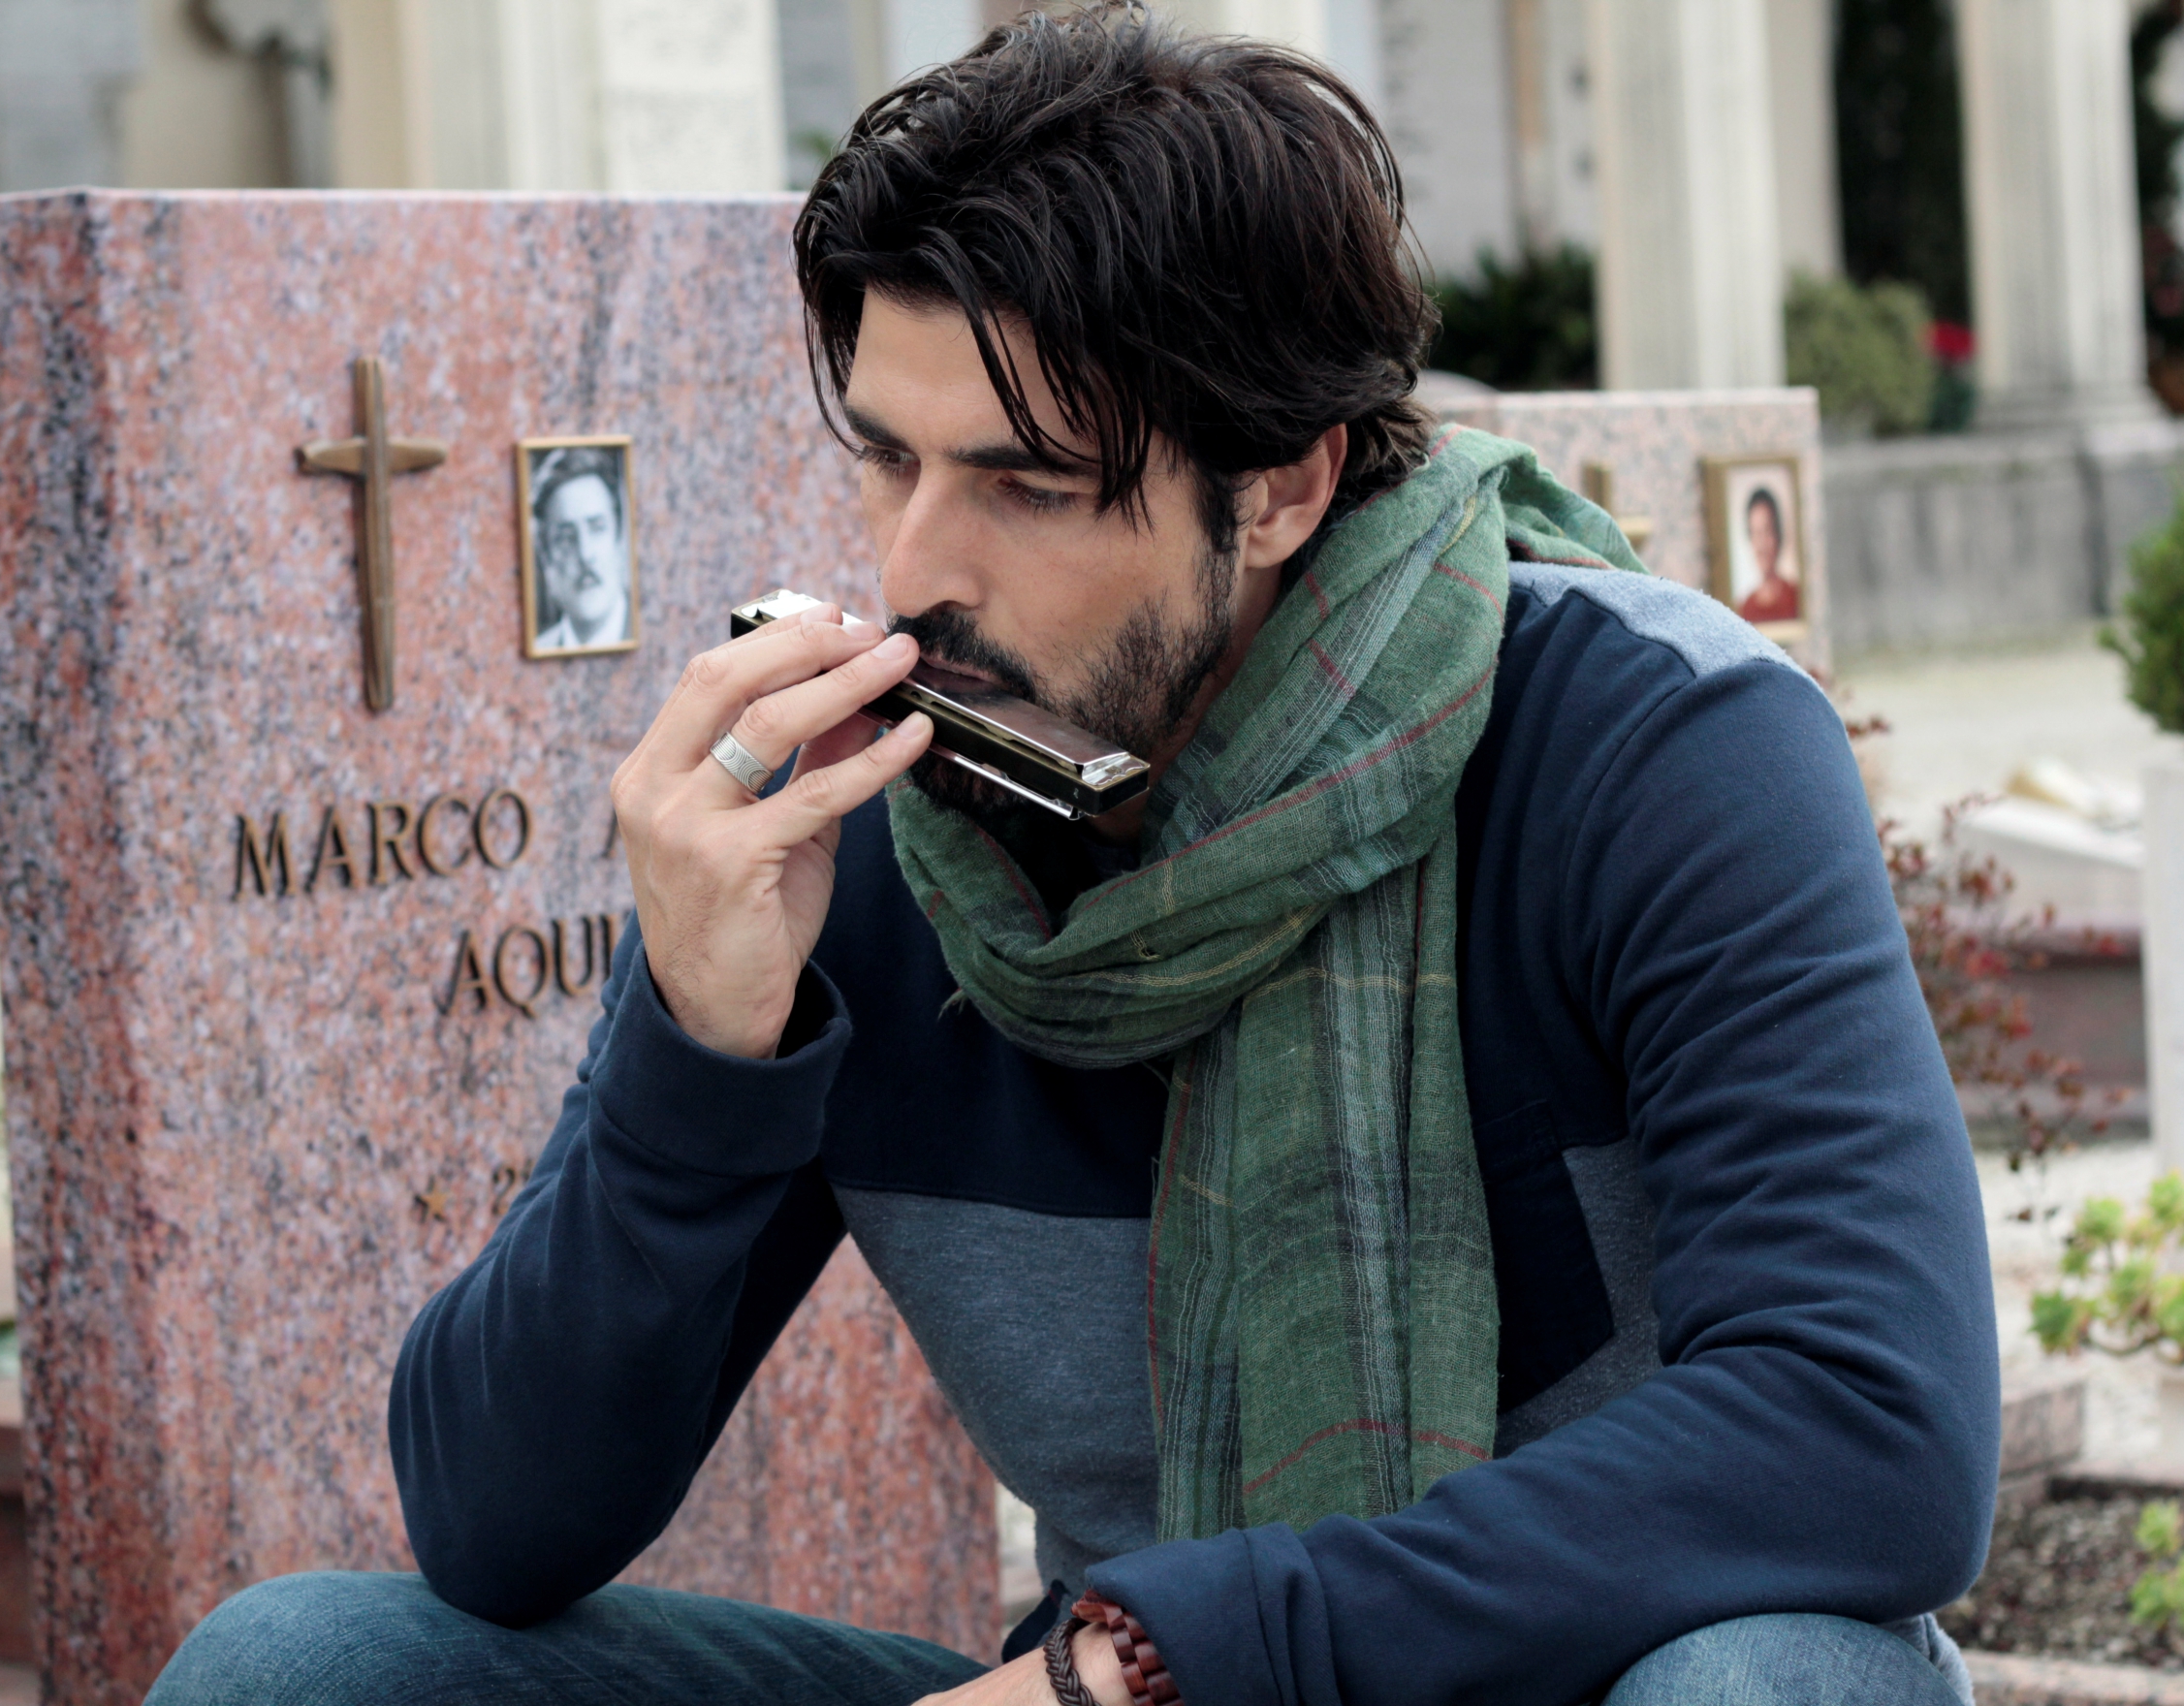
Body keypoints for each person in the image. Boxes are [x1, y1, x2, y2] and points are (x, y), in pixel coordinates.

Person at [148, 9, 1994, 1705]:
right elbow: (495, 1528)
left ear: (1281, 486)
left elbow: (1865, 1429)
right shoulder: (865, 820)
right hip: (1114, 1684)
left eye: (1027, 487)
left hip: (1484, 1678)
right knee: (303, 1669)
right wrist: (697, 1054)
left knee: (1773, 1691)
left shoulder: (1654, 743)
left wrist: (1139, 1664)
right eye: (888, 460)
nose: (913, 572)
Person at [529, 446, 631, 650]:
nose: (585, 554)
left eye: (597, 528)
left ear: (620, 540)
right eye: (566, 538)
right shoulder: (542, 647)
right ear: (547, 558)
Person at [1736, 485, 1800, 624]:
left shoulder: (1797, 597)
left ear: (1778, 534)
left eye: (1767, 531)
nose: (1762, 545)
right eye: (1757, 534)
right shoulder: (1744, 609)